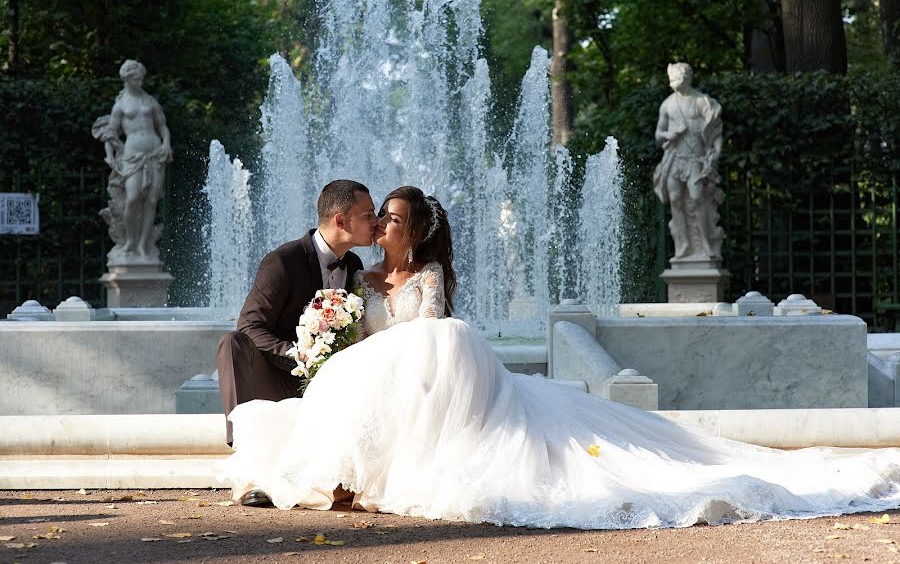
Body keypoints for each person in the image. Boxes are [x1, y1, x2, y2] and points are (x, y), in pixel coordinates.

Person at [219, 186, 900, 529]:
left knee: (443, 344)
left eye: (390, 218)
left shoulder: (425, 279)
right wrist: (328, 341)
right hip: (383, 385)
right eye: (378, 217)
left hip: (428, 382)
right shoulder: (359, 279)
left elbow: (426, 332)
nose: (381, 226)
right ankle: (339, 474)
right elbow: (338, 333)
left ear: (414, 231)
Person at [216, 179, 377, 504]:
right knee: (232, 343)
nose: (376, 222)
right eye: (369, 214)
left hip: (334, 384)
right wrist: (300, 355)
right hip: (283, 375)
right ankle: (248, 460)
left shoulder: (356, 266)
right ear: (341, 221)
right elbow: (250, 326)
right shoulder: (282, 261)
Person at [93, 60, 174, 262]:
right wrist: (110, 156)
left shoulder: (150, 102)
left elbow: (162, 125)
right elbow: (111, 133)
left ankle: (143, 245)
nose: (140, 81)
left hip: (155, 153)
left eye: (141, 78)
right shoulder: (121, 105)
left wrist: (166, 143)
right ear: (127, 79)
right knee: (132, 197)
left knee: (152, 201)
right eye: (136, 78)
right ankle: (129, 242)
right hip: (133, 155)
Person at [653, 62, 725, 261]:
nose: (672, 84)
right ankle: (683, 246)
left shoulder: (702, 101)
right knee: (675, 200)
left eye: (675, 80)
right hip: (675, 159)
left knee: (696, 198)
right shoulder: (667, 104)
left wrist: (716, 151)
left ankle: (706, 244)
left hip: (695, 159)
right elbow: (658, 135)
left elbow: (715, 131)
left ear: (686, 78)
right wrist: (669, 134)